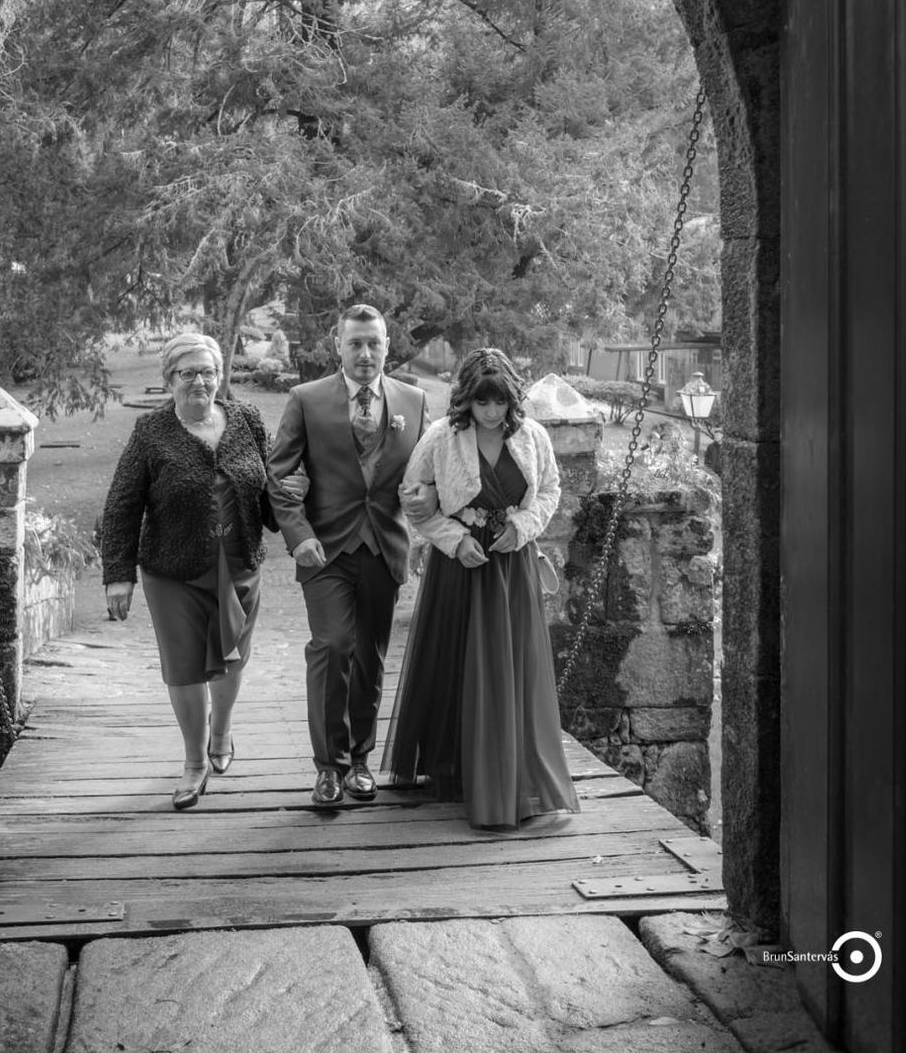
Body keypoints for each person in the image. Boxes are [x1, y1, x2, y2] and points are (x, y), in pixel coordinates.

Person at [382, 347, 579, 829]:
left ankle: (521, 781)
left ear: (513, 400)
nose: (491, 413)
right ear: (466, 399)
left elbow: (551, 489)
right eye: (481, 403)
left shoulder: (533, 436)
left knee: (514, 669)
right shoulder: (441, 437)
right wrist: (454, 539)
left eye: (499, 404)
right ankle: (458, 768)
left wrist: (525, 525)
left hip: (512, 568)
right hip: (462, 569)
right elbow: (413, 496)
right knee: (462, 663)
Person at [267, 304, 430, 808]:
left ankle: (360, 759)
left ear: (388, 346)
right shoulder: (306, 399)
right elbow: (278, 476)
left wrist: (427, 503)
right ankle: (328, 767)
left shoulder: (415, 400)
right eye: (355, 343)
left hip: (385, 546)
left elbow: (428, 470)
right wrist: (299, 534)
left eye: (373, 343)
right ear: (338, 345)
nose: (365, 354)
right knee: (333, 646)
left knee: (370, 658)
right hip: (325, 550)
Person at [100, 333, 270, 810]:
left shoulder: (247, 419)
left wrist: (294, 521)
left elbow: (273, 486)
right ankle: (194, 762)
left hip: (240, 564)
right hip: (173, 569)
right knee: (185, 668)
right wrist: (119, 573)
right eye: (187, 373)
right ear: (169, 380)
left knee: (233, 656)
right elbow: (122, 504)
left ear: (221, 376)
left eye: (208, 372)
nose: (199, 381)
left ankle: (222, 731)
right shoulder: (150, 432)